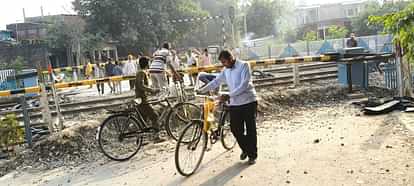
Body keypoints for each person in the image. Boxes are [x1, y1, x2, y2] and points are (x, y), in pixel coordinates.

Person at [197, 50, 258, 165]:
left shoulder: (244, 65)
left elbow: (244, 85)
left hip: (249, 101)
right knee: (235, 129)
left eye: (224, 62)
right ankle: (246, 149)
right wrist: (202, 90)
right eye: (222, 63)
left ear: (231, 58)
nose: (223, 65)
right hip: (235, 103)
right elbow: (216, 82)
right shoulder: (226, 70)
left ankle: (252, 155)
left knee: (251, 129)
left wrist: (229, 95)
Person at [135, 57, 165, 143]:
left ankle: (140, 140)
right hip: (142, 100)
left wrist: (151, 91)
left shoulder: (140, 72)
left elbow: (140, 86)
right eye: (148, 63)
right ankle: (156, 137)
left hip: (140, 99)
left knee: (143, 119)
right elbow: (141, 86)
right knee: (154, 116)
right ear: (146, 64)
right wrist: (152, 90)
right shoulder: (141, 73)